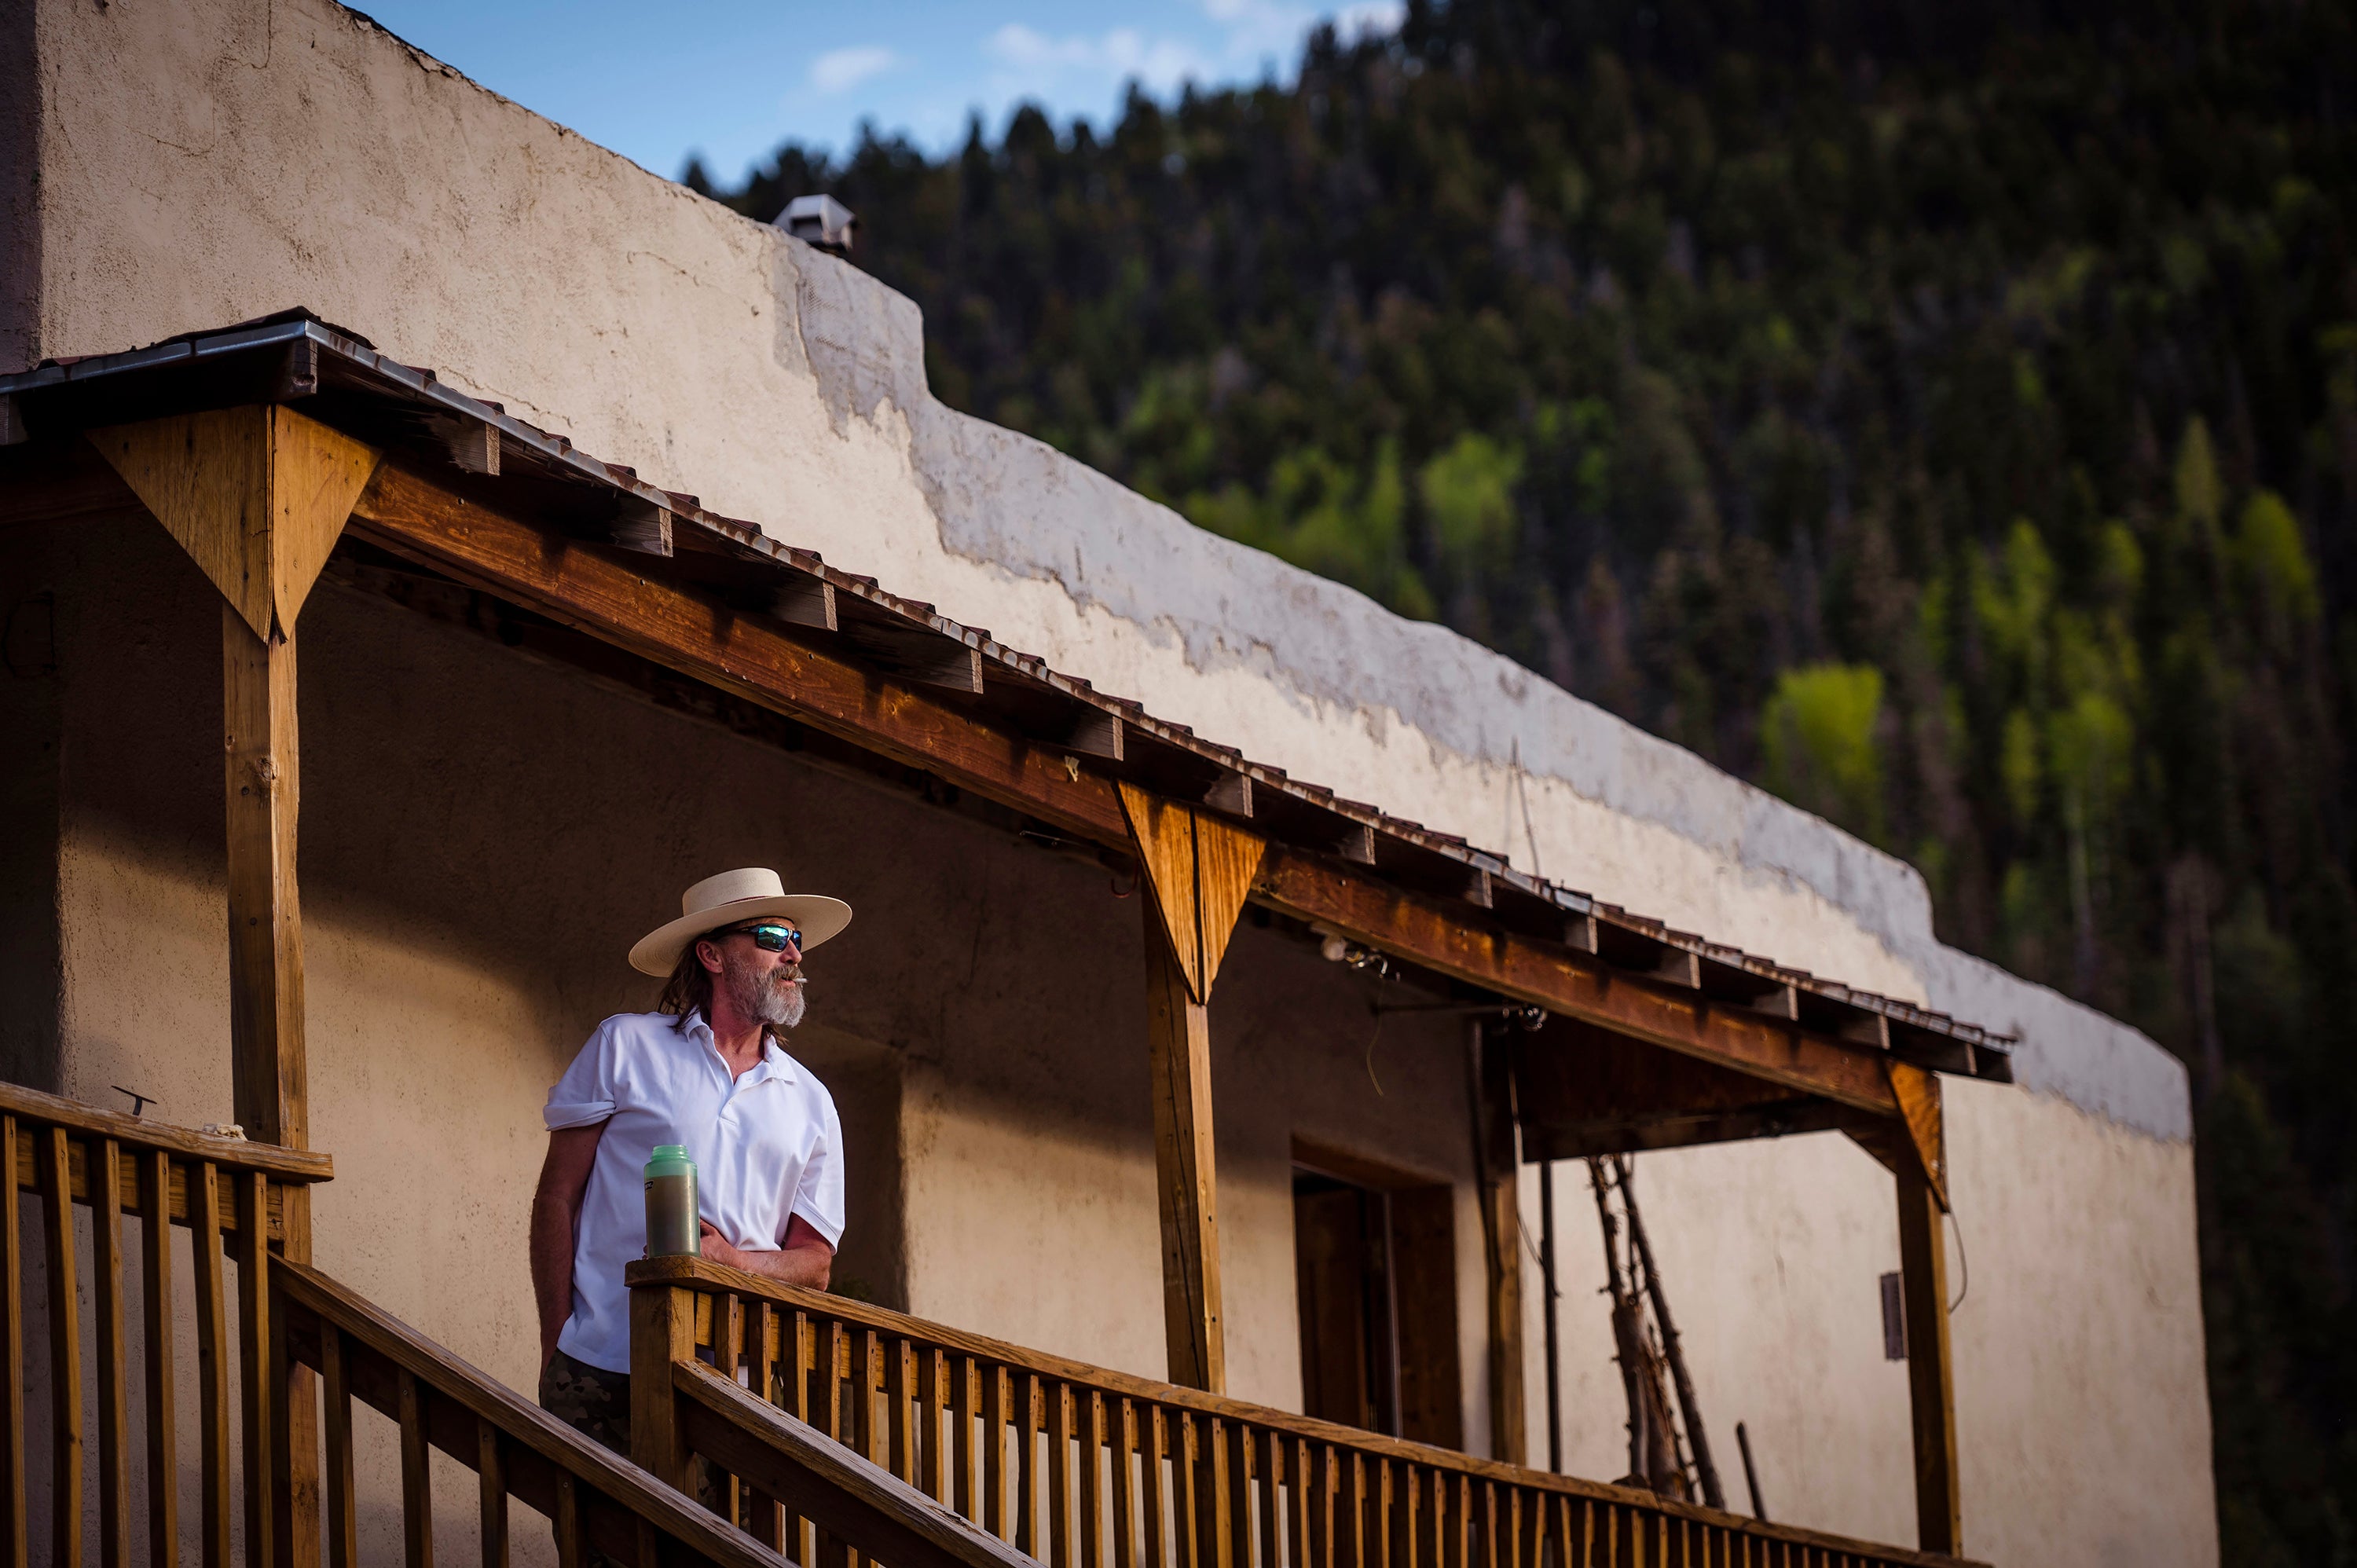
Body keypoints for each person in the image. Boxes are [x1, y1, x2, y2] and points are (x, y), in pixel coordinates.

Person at [530, 866, 852, 1456]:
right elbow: (557, 1198)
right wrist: (557, 1338)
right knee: (604, 1548)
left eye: (797, 940)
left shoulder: (812, 1101)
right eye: (773, 938)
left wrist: (732, 1262)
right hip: (603, 1364)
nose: (794, 956)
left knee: (727, 1550)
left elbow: (815, 1265)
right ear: (711, 954)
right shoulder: (624, 1045)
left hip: (741, 1384)